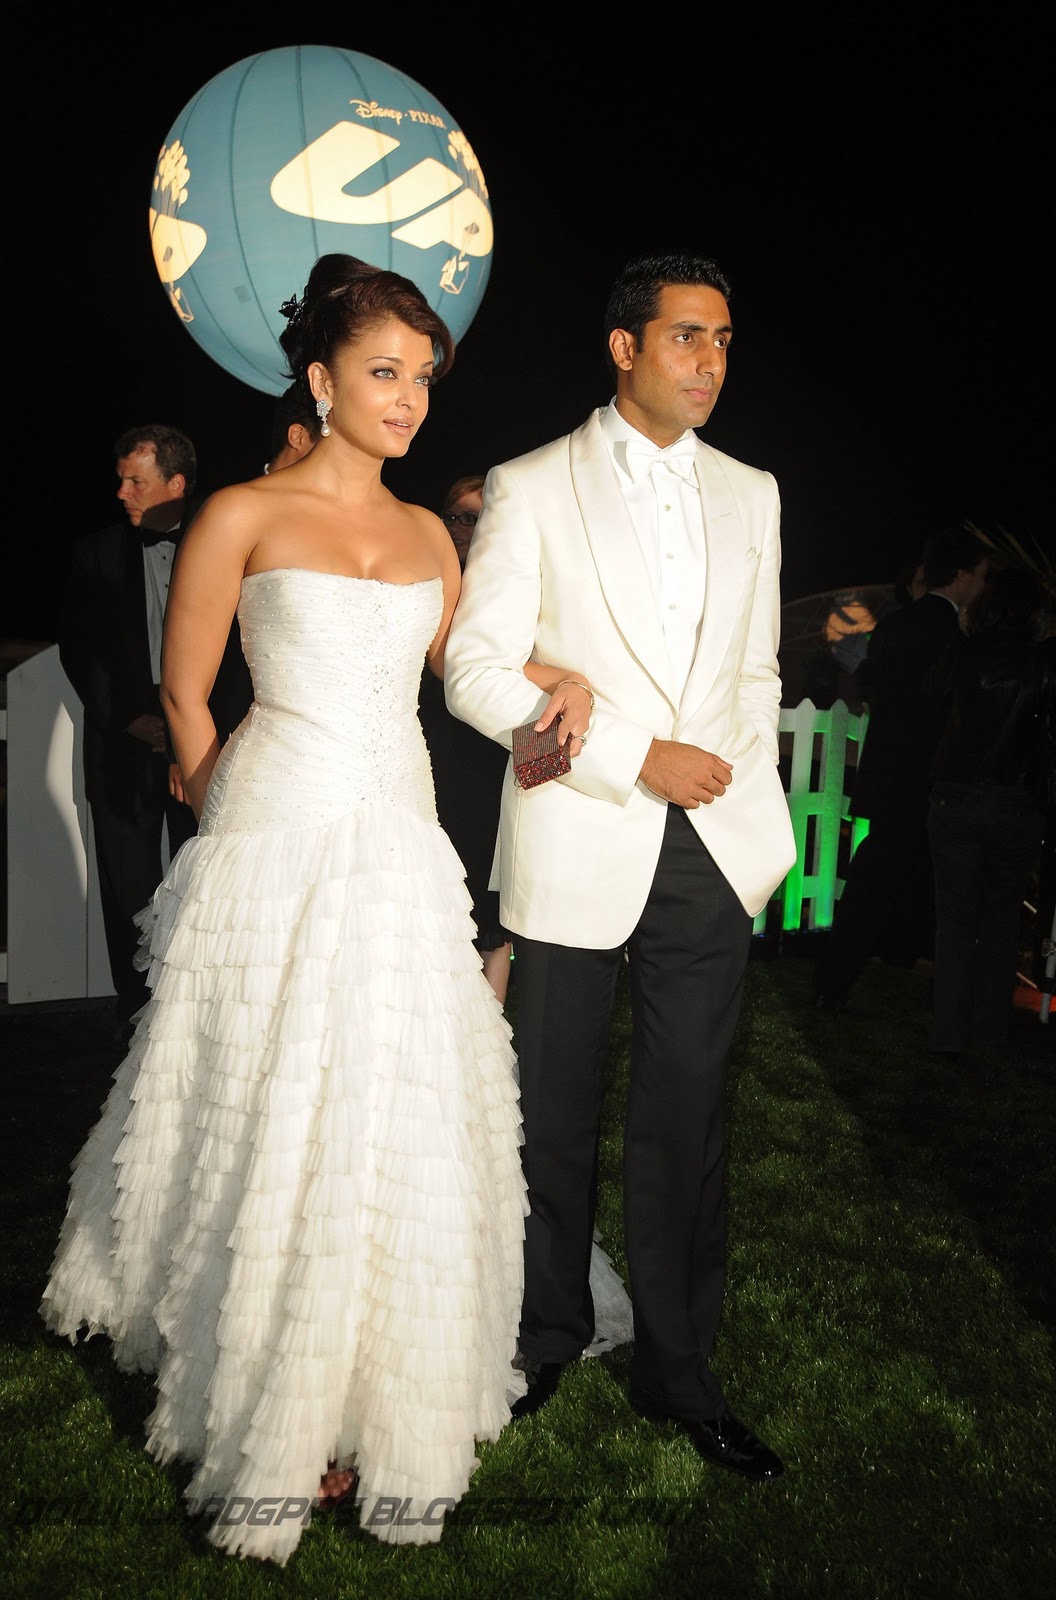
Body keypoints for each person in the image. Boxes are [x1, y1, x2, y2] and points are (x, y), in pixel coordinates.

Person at [40, 253, 592, 1565]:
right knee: (265, 1092)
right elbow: (186, 695)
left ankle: (365, 1384)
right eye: (383, 372)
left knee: (383, 1098)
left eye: (423, 378)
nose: (408, 399)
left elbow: (469, 670)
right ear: (321, 380)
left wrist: (554, 683)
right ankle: (256, 1367)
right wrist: (223, 813)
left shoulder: (429, 537)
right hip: (274, 828)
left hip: (399, 833)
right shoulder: (239, 512)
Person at [445, 250, 796, 1481]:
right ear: (625, 346)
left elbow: (756, 669)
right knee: (551, 1108)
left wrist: (737, 785)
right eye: (688, 335)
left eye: (724, 339)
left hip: (713, 846)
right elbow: (476, 671)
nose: (711, 360)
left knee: (689, 1116)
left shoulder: (754, 492)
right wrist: (639, 758)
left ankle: (678, 1369)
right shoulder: (531, 483)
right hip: (576, 829)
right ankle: (546, 1334)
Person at [59, 424, 200, 1043]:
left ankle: (197, 1010)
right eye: (120, 480)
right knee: (127, 886)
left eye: (135, 481)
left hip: (202, 740)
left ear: (177, 484)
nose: (121, 492)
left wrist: (190, 724)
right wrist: (128, 718)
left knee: (207, 878)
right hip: (121, 742)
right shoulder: (93, 554)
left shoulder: (220, 542)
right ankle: (136, 1016)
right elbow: (79, 650)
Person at [813, 524, 990, 1010]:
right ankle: (859, 977)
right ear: (961, 575)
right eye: (980, 575)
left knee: (877, 879)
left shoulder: (896, 624)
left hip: (889, 774)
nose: (983, 585)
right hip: (927, 781)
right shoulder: (953, 636)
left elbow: (872, 687)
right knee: (900, 881)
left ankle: (845, 974)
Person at [927, 566, 1054, 1057]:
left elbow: (930, 707)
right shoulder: (1041, 664)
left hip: (957, 797)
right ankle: (988, 1030)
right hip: (1015, 803)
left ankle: (949, 1033)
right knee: (1002, 920)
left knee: (955, 921)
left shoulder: (961, 652)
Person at [417, 474, 513, 1002]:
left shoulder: (512, 587)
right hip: (427, 746)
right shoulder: (419, 574)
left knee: (489, 896)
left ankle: (490, 1029)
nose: (460, 527)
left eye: (474, 518)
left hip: (490, 753)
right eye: (454, 515)